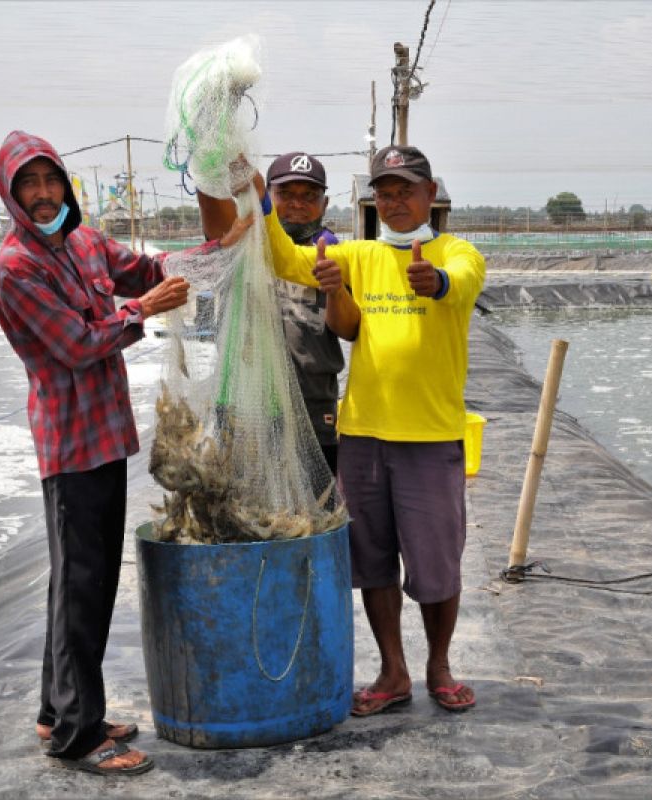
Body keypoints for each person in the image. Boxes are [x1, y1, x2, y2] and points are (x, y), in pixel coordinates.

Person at [0, 130, 243, 776]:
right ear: (12, 196)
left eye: (51, 182)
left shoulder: (82, 240)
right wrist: (142, 310)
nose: (44, 196)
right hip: (70, 447)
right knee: (80, 587)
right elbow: (76, 343)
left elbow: (144, 267)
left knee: (83, 584)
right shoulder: (15, 267)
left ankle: (59, 709)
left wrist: (211, 252)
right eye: (29, 186)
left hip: (105, 437)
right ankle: (79, 736)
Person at [253, 145, 485, 716]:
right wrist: (257, 198)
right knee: (373, 561)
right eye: (384, 192)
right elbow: (284, 259)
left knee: (436, 564)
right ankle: (393, 672)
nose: (395, 200)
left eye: (406, 189)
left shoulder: (459, 252)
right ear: (370, 201)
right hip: (361, 437)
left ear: (431, 194)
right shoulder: (355, 255)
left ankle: (439, 666)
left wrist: (433, 282)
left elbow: (455, 281)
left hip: (430, 439)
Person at [265, 152, 344, 472]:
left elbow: (350, 328)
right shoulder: (245, 243)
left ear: (324, 204)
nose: (297, 203)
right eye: (285, 194)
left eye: (309, 196)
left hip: (313, 406)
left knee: (317, 509)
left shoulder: (336, 255)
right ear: (267, 198)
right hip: (251, 408)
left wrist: (337, 287)